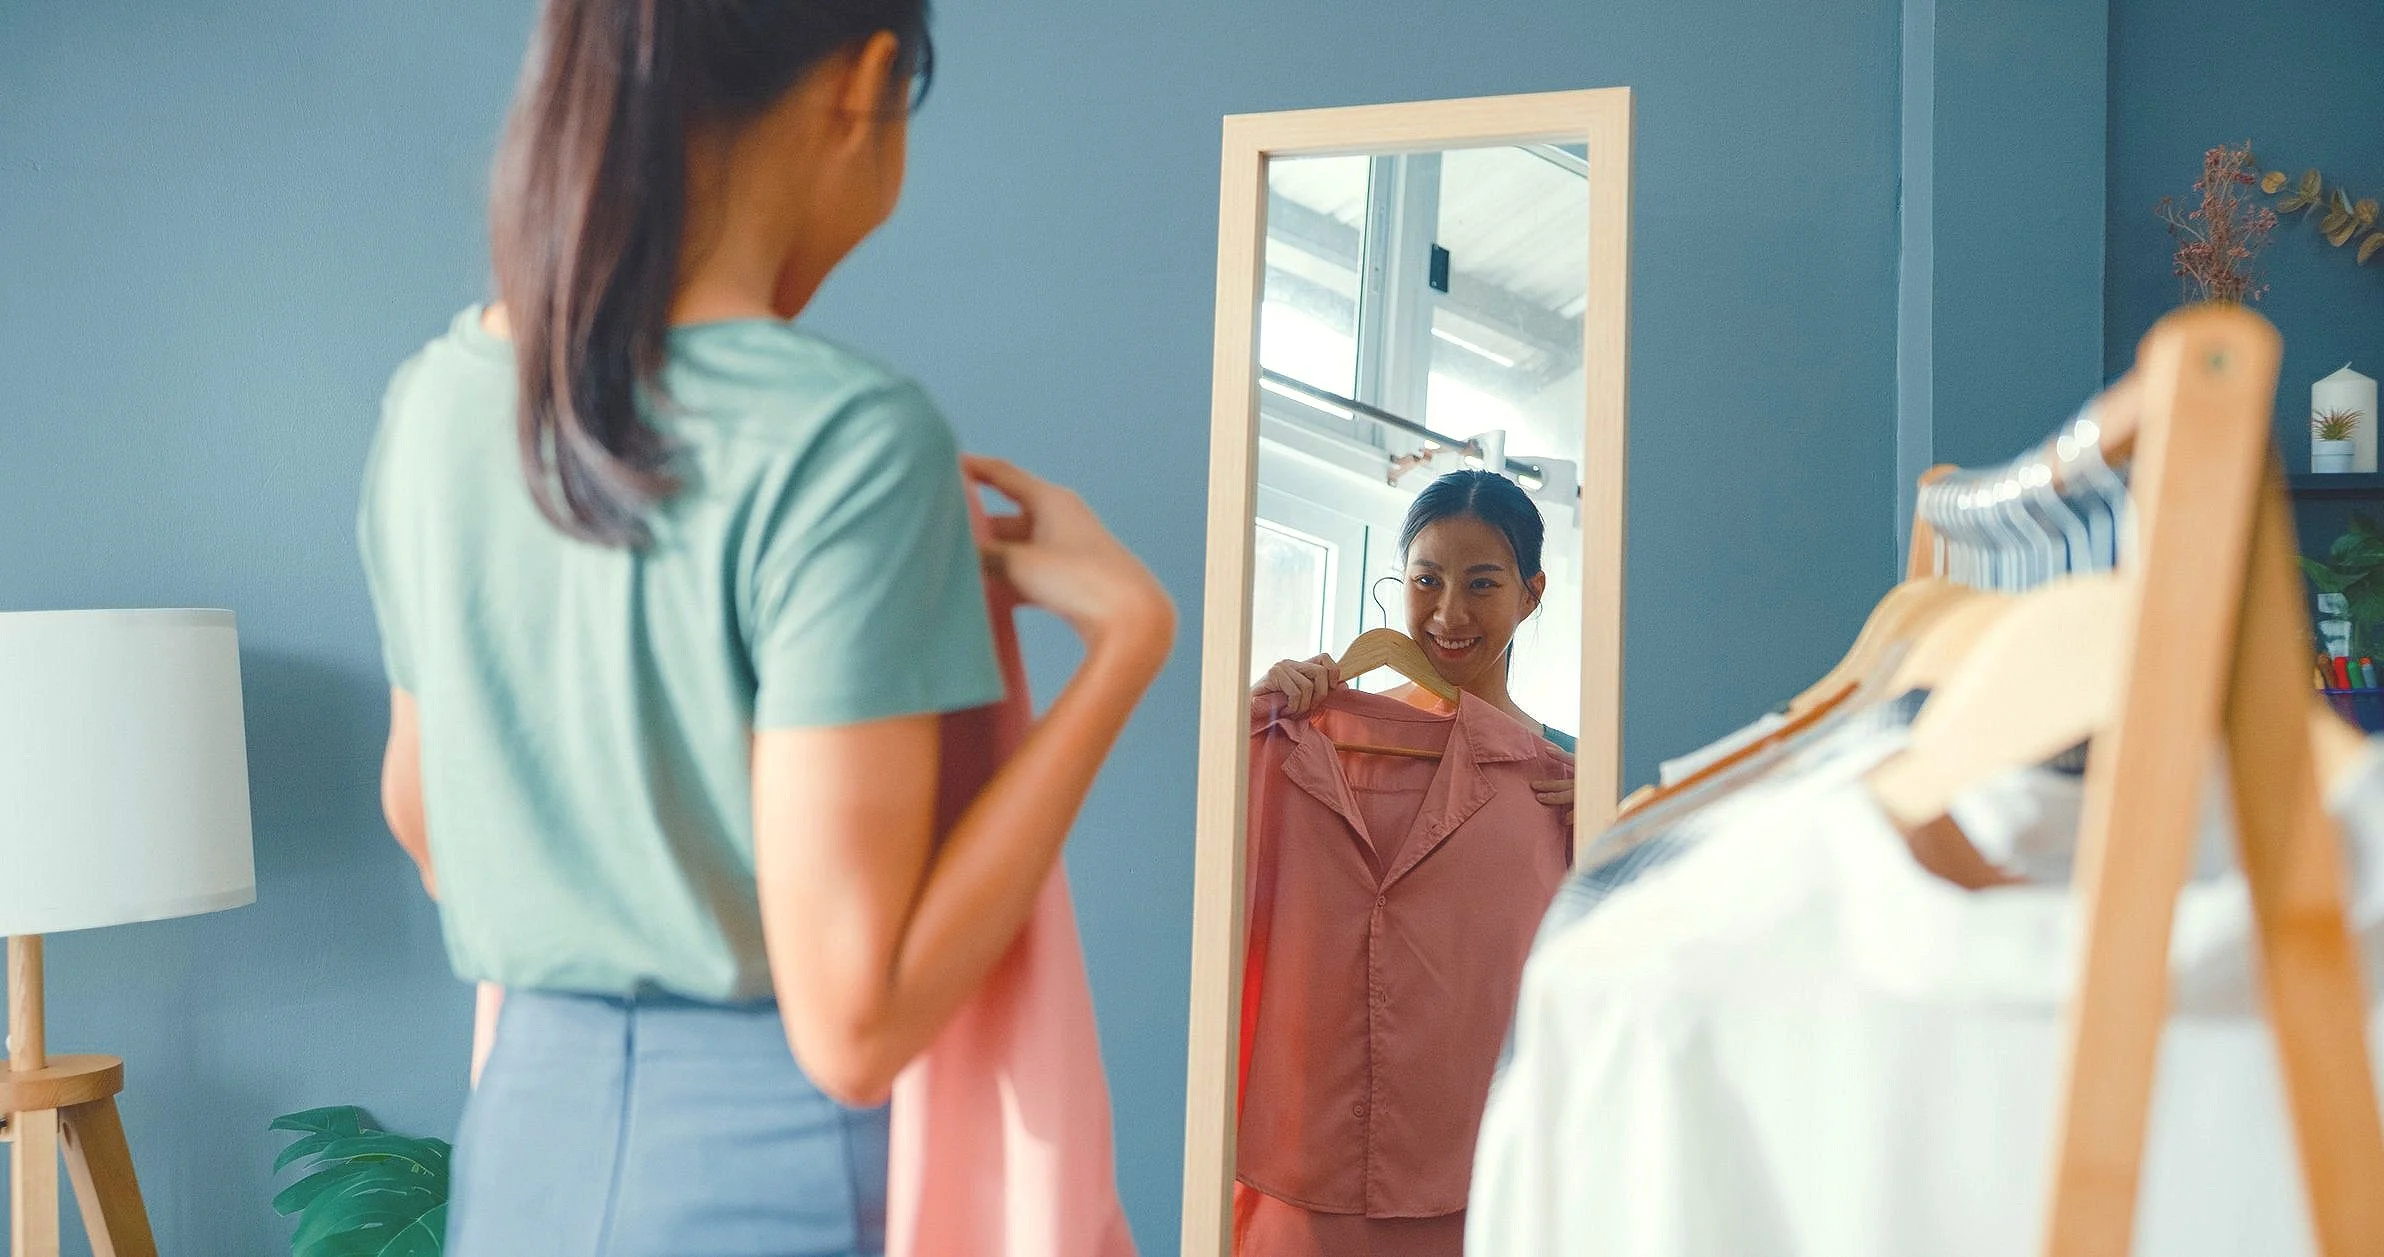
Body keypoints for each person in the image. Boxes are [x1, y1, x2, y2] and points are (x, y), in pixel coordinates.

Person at [356, 3, 1172, 1253]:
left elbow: (426, 823)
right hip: (764, 1174)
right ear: (868, 81)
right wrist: (1123, 649)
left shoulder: (436, 405)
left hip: (524, 1150)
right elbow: (855, 1028)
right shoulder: (846, 439)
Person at [1255, 469, 1575, 827]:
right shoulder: (1303, 731)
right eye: (1427, 581)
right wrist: (1243, 724)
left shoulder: (1573, 776)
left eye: (1481, 584)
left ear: (1531, 594)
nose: (1449, 615)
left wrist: (1613, 833)